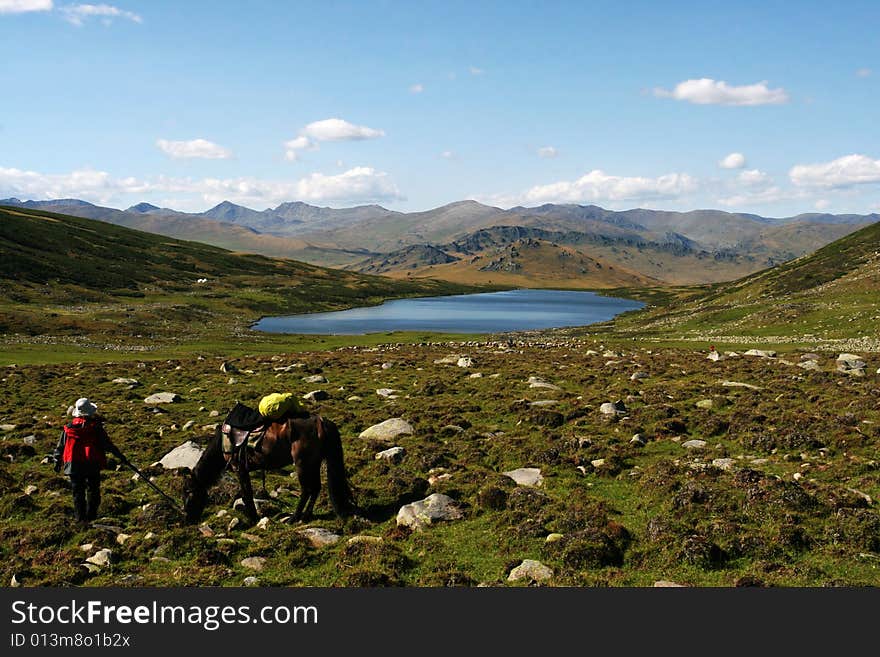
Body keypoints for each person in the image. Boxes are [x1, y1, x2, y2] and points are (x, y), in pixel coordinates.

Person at [52, 398, 127, 525]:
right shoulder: (96, 427)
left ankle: (80, 519)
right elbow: (106, 444)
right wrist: (120, 456)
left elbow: (61, 446)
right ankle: (92, 515)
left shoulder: (68, 429)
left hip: (73, 464)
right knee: (93, 489)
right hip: (92, 462)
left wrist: (57, 461)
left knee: (78, 492)